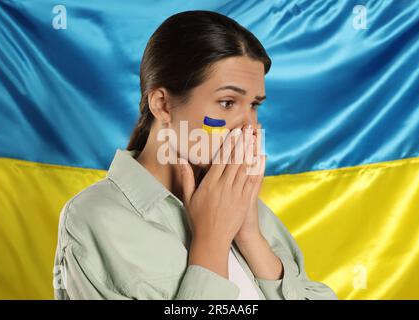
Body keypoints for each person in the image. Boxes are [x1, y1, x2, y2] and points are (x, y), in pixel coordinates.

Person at [53, 10, 337, 300]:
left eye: (254, 105)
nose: (249, 127)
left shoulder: (244, 205)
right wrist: (211, 243)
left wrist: (250, 236)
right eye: (227, 102)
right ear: (163, 105)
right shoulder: (95, 219)